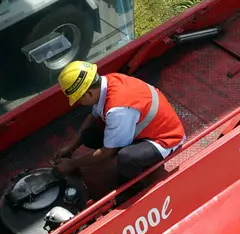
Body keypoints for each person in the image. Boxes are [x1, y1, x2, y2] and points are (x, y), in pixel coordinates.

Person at [52, 61, 185, 187]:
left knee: (126, 157)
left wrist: (73, 164)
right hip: (141, 127)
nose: (78, 103)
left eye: (78, 99)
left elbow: (107, 152)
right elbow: (92, 117)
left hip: (165, 138)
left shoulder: (117, 109)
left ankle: (134, 187)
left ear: (88, 93)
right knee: (88, 135)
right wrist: (70, 148)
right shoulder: (108, 82)